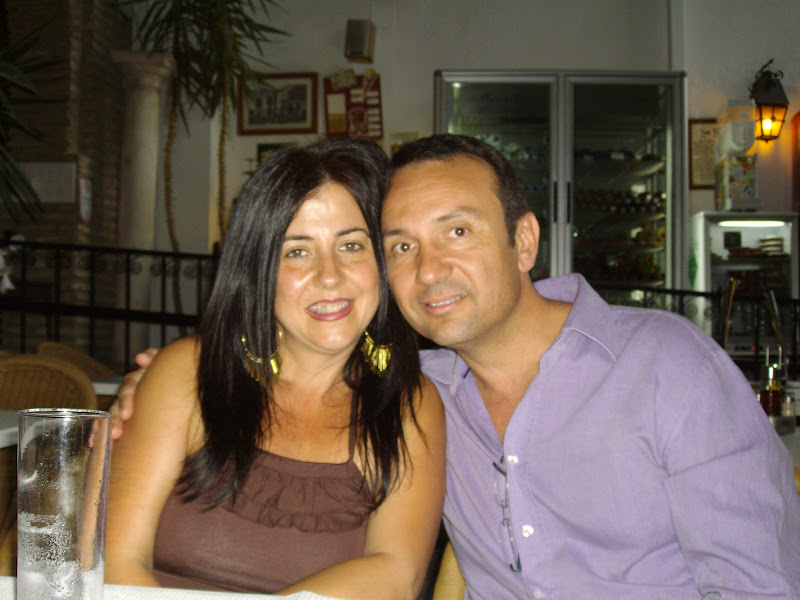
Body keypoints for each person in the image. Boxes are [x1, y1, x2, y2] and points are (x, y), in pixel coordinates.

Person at [116, 134, 800, 599]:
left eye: (458, 231)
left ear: (523, 241)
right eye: (401, 246)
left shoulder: (667, 367)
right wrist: (150, 391)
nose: (430, 268)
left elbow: (758, 584)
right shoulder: (428, 392)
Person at [105, 138, 446, 599]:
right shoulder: (188, 373)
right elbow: (115, 559)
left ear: (382, 265)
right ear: (258, 269)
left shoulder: (408, 405)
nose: (330, 275)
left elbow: (395, 573)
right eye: (297, 252)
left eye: (351, 246)